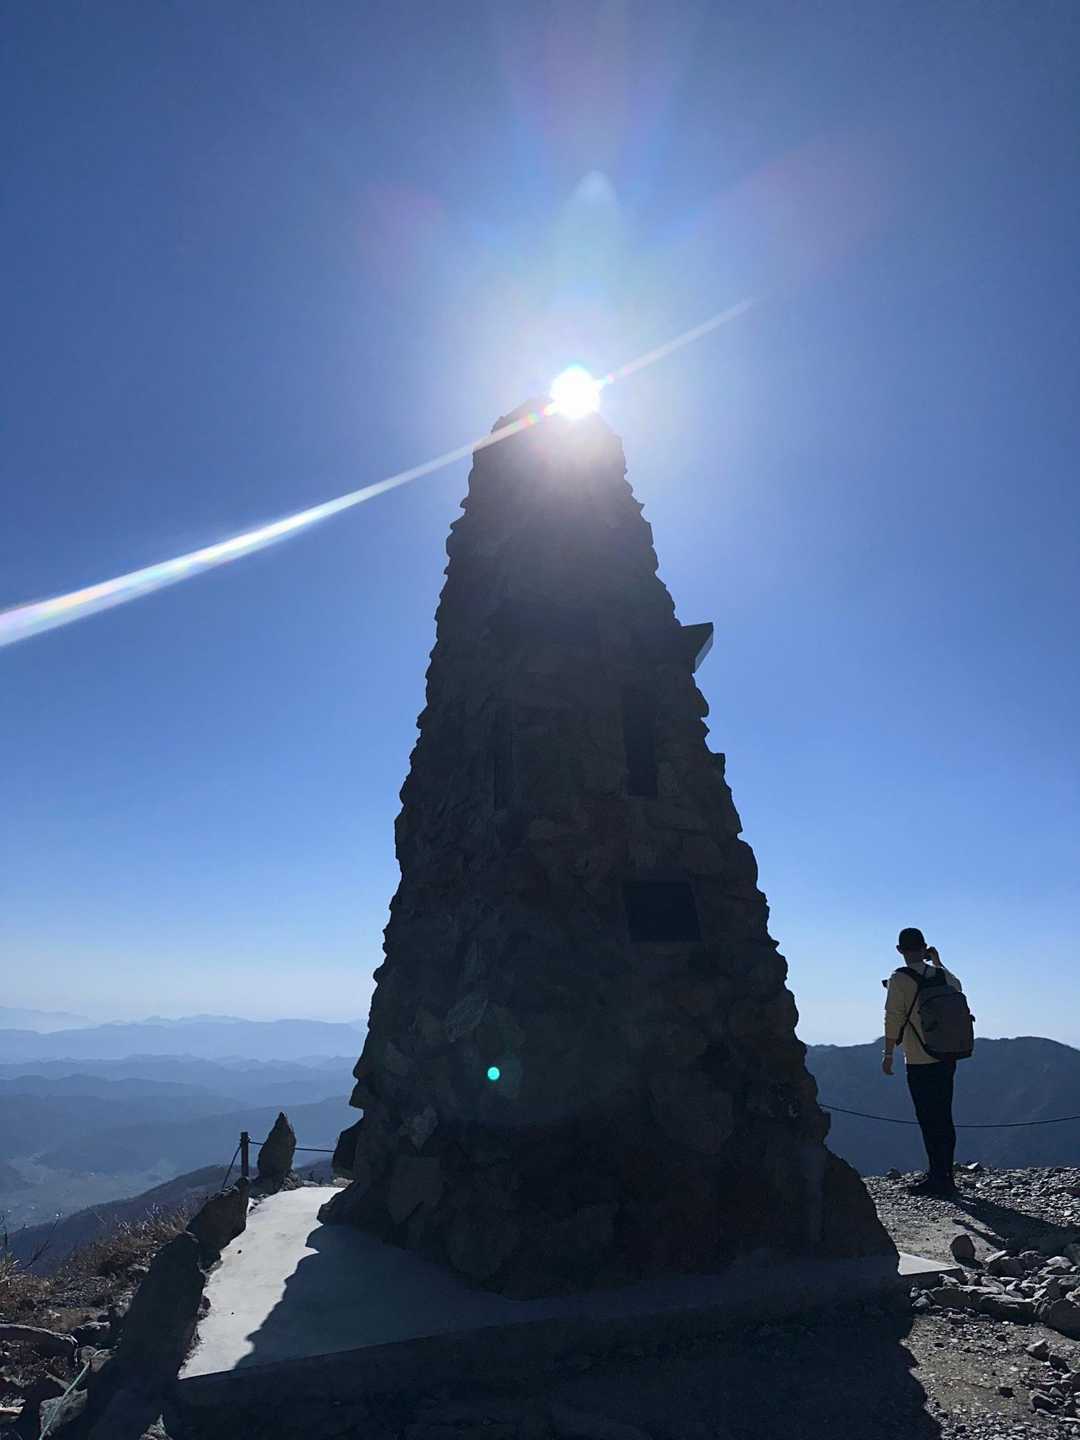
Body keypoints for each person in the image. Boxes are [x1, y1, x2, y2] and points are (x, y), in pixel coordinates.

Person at [882, 926, 962, 1197]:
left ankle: (937, 1177)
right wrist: (937, 961)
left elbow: (893, 1016)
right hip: (946, 1055)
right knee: (944, 1116)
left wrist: (888, 1054)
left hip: (918, 1058)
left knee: (928, 1119)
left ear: (899, 950)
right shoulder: (940, 974)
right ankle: (946, 1175)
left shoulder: (899, 978)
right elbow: (957, 987)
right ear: (925, 947)